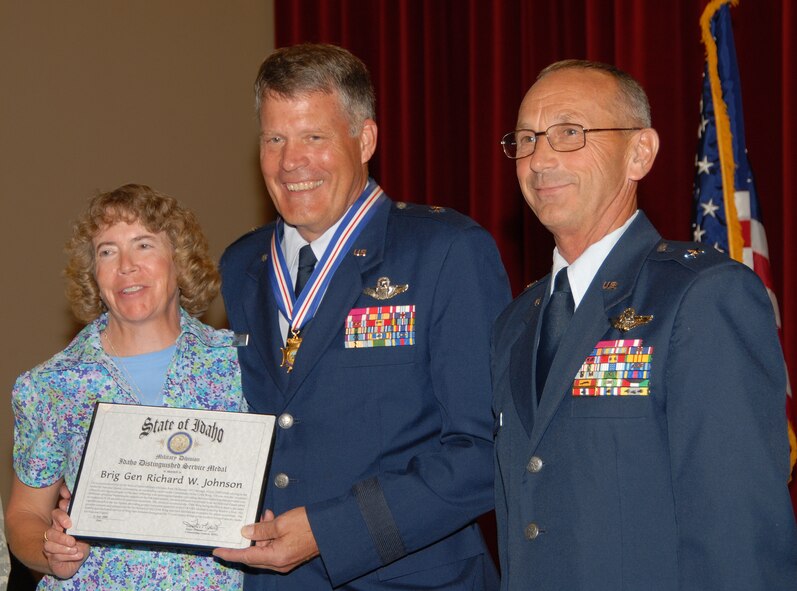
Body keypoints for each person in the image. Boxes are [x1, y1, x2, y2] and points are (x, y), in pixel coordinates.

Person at [213, 43, 511, 590]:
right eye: (274, 139)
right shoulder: (240, 264)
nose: (290, 161)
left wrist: (332, 531)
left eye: (314, 138)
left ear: (366, 139)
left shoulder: (445, 251)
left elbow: (485, 451)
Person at [491, 59, 797, 590]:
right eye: (525, 138)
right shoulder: (518, 320)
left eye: (569, 133)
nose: (539, 158)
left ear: (640, 153)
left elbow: (738, 533)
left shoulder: (701, 296)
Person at [5, 184, 246, 589]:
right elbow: (24, 516)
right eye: (107, 251)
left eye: (144, 245)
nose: (126, 266)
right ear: (94, 275)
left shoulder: (239, 363)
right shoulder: (52, 385)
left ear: (180, 262)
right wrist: (49, 551)